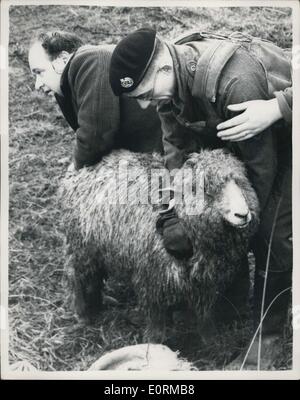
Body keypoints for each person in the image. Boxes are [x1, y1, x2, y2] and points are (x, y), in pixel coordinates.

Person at [109, 28, 293, 369]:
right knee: (212, 221)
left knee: (268, 231)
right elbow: (175, 150)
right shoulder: (169, 88)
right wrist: (175, 213)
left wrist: (233, 226)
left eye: (145, 94)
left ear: (164, 69)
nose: (144, 105)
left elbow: (260, 168)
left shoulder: (234, 79)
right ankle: (233, 299)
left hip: (280, 140)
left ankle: (268, 336)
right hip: (234, 135)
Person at [28, 31, 163, 171]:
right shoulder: (69, 83)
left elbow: (96, 135)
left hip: (171, 144)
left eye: (39, 72)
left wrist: (76, 168)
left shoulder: (91, 60)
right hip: (153, 153)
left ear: (62, 60)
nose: (38, 84)